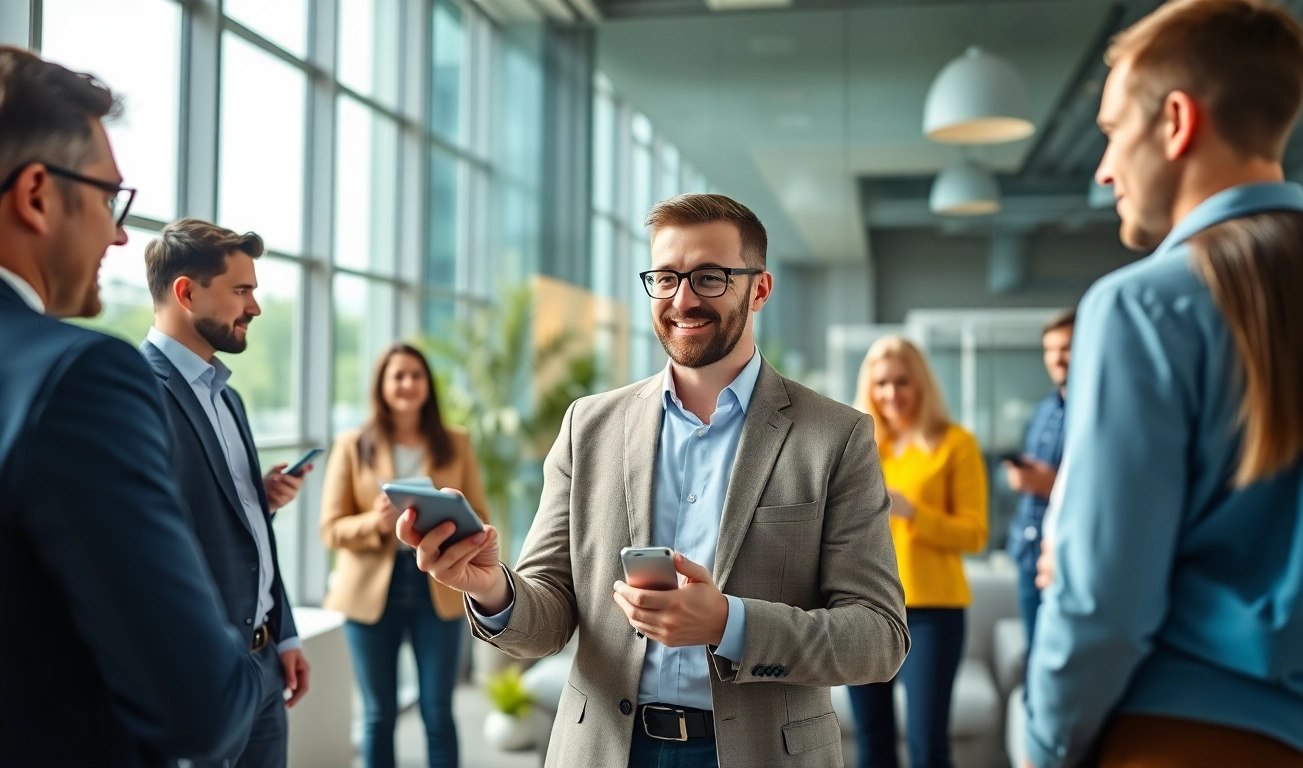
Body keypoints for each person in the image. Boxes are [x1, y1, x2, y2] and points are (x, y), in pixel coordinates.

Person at [398, 193, 909, 768]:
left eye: (709, 277)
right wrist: (491, 587)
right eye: (665, 278)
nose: (682, 299)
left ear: (759, 289)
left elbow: (878, 637)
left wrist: (728, 623)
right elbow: (549, 615)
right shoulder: (587, 427)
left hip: (761, 753)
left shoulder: (835, 437)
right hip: (604, 751)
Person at [1024, 2, 1303, 767]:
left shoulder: (1142, 305)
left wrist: (1041, 741)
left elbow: (1106, 605)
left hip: (1181, 733)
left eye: (1110, 132)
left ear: (1175, 121)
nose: (1104, 169)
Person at [0, 46, 263, 767]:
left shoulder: (222, 399)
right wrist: (248, 666)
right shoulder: (82, 376)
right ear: (36, 195)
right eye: (109, 197)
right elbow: (198, 710)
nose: (119, 233)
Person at [139, 219, 312, 767]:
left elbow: (242, 531)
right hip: (200, 673)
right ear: (187, 293)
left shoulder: (226, 395)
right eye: (242, 291)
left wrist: (283, 635)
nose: (255, 307)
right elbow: (144, 549)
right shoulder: (140, 392)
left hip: (263, 665)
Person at [320, 342, 489, 768]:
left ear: (427, 386)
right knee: (378, 715)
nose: (408, 383)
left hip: (438, 584)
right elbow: (330, 528)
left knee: (437, 711)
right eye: (398, 375)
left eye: (416, 375)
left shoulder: (456, 442)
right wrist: (374, 525)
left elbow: (481, 518)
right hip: (371, 591)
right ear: (381, 385)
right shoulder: (352, 444)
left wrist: (447, 523)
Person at [849, 336, 989, 768]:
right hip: (864, 609)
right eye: (882, 383)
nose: (891, 394)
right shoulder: (863, 445)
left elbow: (975, 535)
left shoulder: (955, 444)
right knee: (872, 742)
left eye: (902, 382)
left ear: (922, 383)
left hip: (932, 614)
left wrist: (911, 511)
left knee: (928, 745)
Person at [1004, 309, 1073, 653]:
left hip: (1066, 559)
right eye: (1050, 349)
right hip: (1029, 551)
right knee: (1036, 656)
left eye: (1067, 348)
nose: (1057, 358)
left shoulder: (1095, 408)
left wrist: (1053, 484)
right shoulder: (1044, 409)